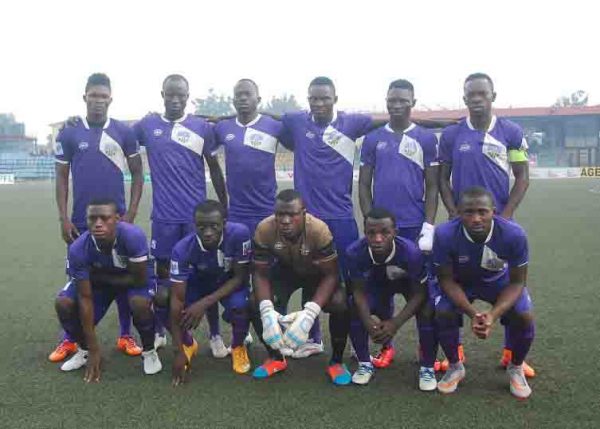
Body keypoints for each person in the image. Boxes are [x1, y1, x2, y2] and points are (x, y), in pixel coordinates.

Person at [438, 72, 534, 377]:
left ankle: (511, 355)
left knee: (506, 287)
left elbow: (522, 176)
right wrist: (452, 212)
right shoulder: (452, 135)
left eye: (482, 94)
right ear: (464, 98)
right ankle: (455, 354)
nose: (477, 99)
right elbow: (442, 178)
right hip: (462, 225)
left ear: (493, 96)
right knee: (455, 284)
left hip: (497, 226)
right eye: (471, 95)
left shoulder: (511, 131)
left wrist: (505, 215)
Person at [133, 74, 230, 358]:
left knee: (207, 275)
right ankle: (161, 331)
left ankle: (215, 335)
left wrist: (223, 205)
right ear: (162, 94)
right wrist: (74, 122)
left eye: (181, 95)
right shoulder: (148, 125)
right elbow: (117, 133)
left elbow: (215, 168)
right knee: (164, 279)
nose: (175, 100)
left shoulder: (201, 127)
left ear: (188, 97)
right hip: (164, 219)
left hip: (197, 220)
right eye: (170, 94)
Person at [50, 73, 144, 362]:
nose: (98, 101)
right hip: (81, 222)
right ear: (85, 98)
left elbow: (138, 174)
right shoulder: (69, 132)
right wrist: (63, 218)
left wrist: (130, 213)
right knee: (77, 276)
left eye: (103, 96)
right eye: (94, 96)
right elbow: (61, 178)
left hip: (116, 222)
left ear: (111, 99)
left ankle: (126, 334)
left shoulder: (124, 132)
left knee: (123, 274)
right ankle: (69, 339)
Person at [358, 78, 439, 368]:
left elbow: (432, 187)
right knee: (381, 288)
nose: (397, 105)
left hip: (413, 227)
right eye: (392, 100)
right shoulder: (373, 139)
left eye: (403, 100)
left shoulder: (426, 139)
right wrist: (370, 221)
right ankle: (386, 347)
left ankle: (425, 349)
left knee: (418, 290)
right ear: (386, 101)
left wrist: (428, 226)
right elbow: (364, 184)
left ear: (413, 102)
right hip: (382, 231)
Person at [433, 187, 535, 399]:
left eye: (482, 212)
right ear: (459, 213)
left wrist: (492, 315)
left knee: (524, 315)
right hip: (461, 283)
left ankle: (516, 367)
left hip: (499, 283)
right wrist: (473, 314)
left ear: (493, 212)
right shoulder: (444, 234)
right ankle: (455, 366)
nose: (476, 218)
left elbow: (517, 282)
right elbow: (446, 280)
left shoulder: (514, 234)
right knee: (443, 311)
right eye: (469, 212)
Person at [251, 190, 352, 385]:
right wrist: (266, 310)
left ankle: (337, 362)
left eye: (292, 214)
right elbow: (260, 273)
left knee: (340, 302)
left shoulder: (319, 230)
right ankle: (276, 357)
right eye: (280, 214)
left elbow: (331, 274)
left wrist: (310, 313)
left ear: (304, 213)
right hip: (285, 272)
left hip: (317, 274)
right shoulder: (264, 229)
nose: (285, 221)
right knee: (254, 301)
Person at [54, 199, 161, 381]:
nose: (98, 224)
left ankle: (149, 351)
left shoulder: (133, 236)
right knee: (63, 303)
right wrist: (93, 348)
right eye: (92, 218)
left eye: (104, 218)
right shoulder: (78, 248)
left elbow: (139, 279)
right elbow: (85, 297)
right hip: (102, 282)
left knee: (140, 303)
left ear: (117, 219)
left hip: (129, 279)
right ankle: (84, 350)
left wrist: (99, 278)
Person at [158, 200, 252, 385]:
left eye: (214, 226)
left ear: (224, 223)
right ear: (194, 225)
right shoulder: (182, 249)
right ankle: (187, 343)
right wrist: (177, 351)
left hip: (228, 282)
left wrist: (203, 304)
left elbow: (240, 277)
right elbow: (177, 298)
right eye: (201, 227)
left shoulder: (240, 234)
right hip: (198, 283)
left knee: (242, 306)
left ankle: (238, 346)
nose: (208, 232)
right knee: (162, 298)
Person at [346, 208, 437, 390]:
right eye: (371, 233)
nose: (378, 239)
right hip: (375, 286)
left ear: (395, 232)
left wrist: (395, 323)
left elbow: (420, 293)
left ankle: (427, 367)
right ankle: (364, 363)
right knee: (352, 305)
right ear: (365, 233)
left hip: (408, 286)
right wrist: (368, 323)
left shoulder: (411, 253)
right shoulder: (355, 252)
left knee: (428, 309)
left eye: (385, 232)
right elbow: (358, 291)